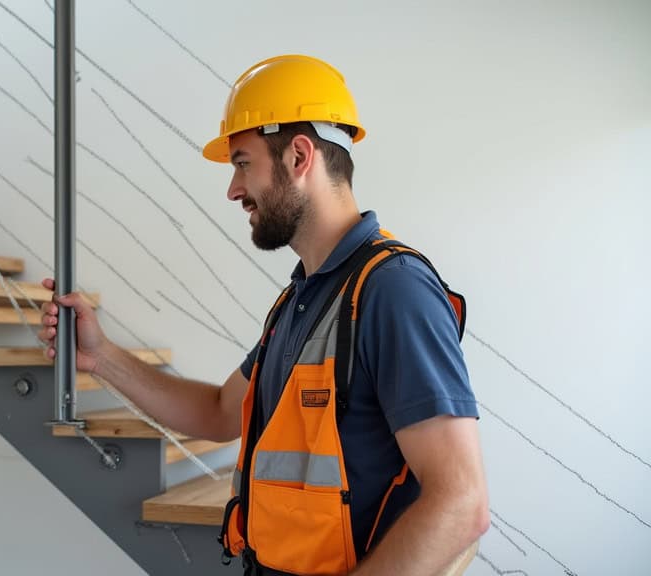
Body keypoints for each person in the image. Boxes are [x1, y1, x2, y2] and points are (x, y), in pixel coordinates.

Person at [40, 54, 488, 576]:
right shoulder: (303, 299)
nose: (234, 189)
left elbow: (462, 503)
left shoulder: (392, 290)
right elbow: (218, 412)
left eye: (243, 163)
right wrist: (101, 358)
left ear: (299, 156)